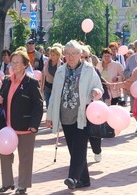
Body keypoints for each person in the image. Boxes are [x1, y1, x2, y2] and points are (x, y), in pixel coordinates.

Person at [46, 40, 103, 189]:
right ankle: (84, 180)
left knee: (79, 147)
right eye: (68, 54)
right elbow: (54, 95)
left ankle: (73, 178)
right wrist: (50, 116)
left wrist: (96, 92)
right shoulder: (60, 70)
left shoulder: (89, 69)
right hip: (65, 114)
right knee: (73, 148)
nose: (71, 57)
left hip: (82, 114)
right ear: (64, 55)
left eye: (74, 54)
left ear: (80, 54)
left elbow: (99, 87)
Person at [0, 50, 43, 194]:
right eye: (12, 62)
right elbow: (3, 101)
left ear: (24, 65)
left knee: (25, 158)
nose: (14, 65)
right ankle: (7, 183)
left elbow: (38, 105)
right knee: (4, 155)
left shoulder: (31, 82)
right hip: (7, 127)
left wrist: (34, 125)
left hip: (25, 127)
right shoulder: (6, 80)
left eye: (17, 62)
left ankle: (22, 186)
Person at [81, 45, 108, 163]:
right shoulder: (70, 70)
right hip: (78, 107)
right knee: (80, 133)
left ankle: (97, 151)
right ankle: (80, 157)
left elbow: (101, 85)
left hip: (92, 106)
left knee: (94, 132)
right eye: (82, 57)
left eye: (87, 57)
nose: (85, 59)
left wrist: (104, 96)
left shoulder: (93, 70)